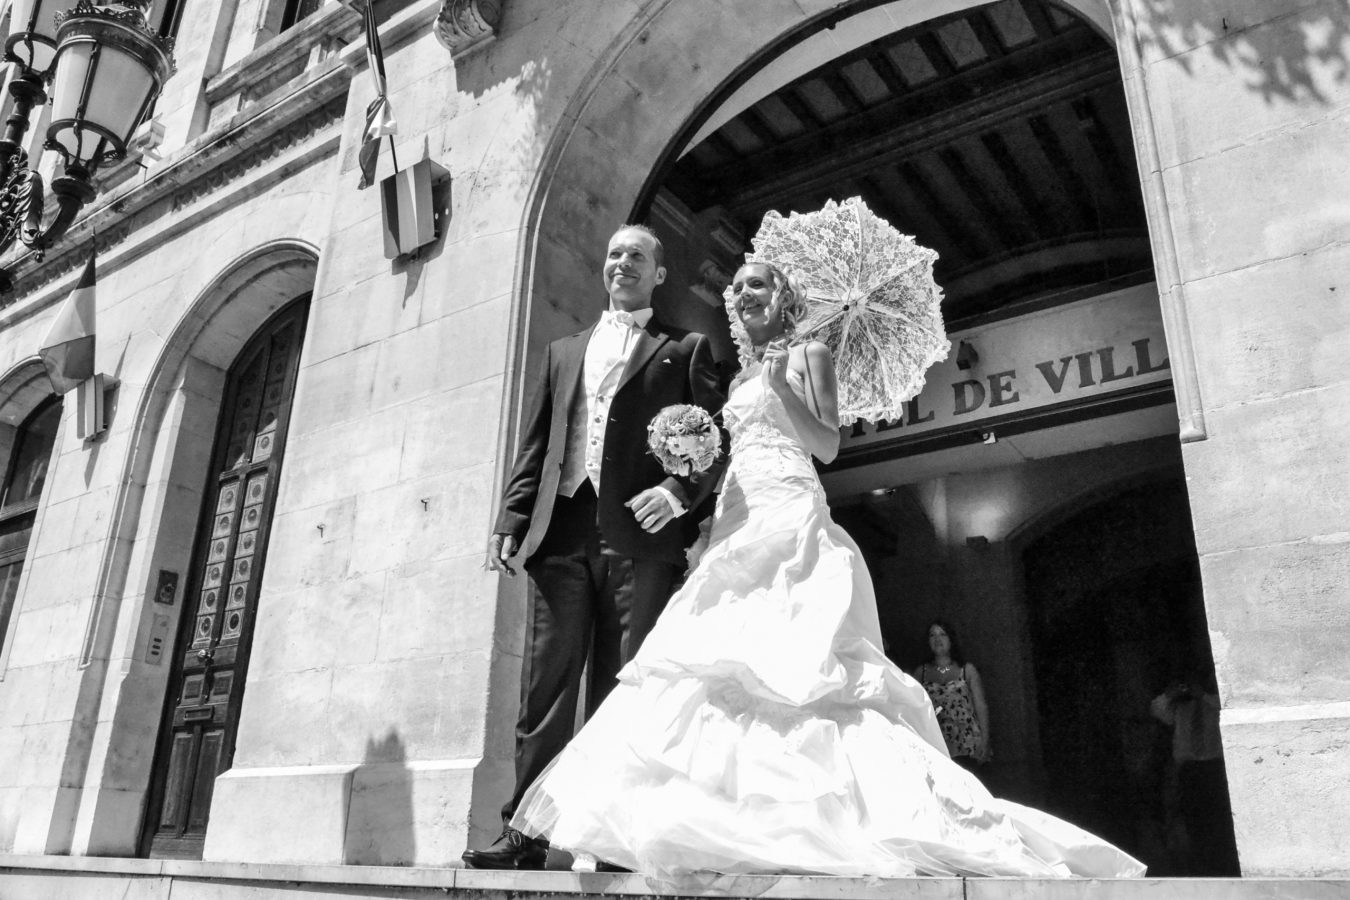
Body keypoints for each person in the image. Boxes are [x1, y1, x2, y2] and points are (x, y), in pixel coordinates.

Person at [507, 261, 1145, 879]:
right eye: (736, 289)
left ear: (782, 298)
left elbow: (828, 444)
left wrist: (783, 388)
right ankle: (727, 817)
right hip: (736, 516)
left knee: (796, 664)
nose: (743, 295)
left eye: (756, 285)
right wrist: (690, 460)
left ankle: (818, 814)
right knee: (713, 660)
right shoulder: (731, 379)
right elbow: (728, 454)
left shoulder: (807, 355)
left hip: (789, 509)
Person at [463, 225, 725, 870]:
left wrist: (676, 490)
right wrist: (511, 517)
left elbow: (716, 444)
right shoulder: (562, 351)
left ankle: (613, 837)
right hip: (563, 534)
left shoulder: (685, 348)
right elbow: (535, 448)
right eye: (613, 253)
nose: (623, 262)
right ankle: (525, 833)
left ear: (660, 273)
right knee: (545, 687)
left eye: (638, 254)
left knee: (625, 687)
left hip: (642, 540)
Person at [1150, 668, 1239, 875]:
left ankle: (1223, 863)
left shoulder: (1214, 703)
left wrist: (1202, 695)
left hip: (1214, 767)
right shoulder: (1179, 707)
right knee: (1192, 819)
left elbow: (1225, 706)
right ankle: (1200, 863)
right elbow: (1156, 710)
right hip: (1189, 769)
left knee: (1219, 819)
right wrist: (1171, 694)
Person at [913, 620, 991, 774]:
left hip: (967, 745)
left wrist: (986, 740)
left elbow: (981, 706)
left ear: (951, 639)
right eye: (932, 635)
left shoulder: (967, 670)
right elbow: (914, 709)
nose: (937, 639)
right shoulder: (920, 673)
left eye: (942, 634)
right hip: (937, 745)